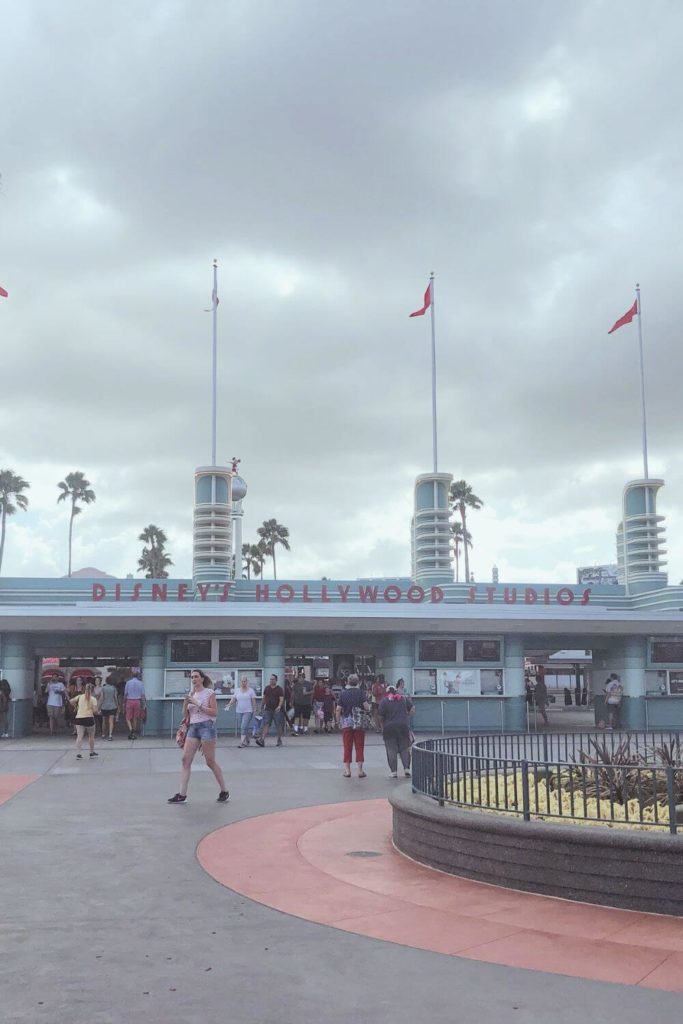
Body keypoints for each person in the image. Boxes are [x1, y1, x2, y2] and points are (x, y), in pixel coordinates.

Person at [168, 669, 229, 803]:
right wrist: (186, 702)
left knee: (210, 761)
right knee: (185, 760)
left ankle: (224, 790)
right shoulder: (192, 694)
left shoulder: (209, 693)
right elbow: (185, 714)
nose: (194, 679)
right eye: (192, 677)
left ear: (202, 679)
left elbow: (214, 712)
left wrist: (197, 703)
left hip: (207, 727)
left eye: (196, 677)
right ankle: (182, 794)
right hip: (193, 727)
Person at [336, 673, 370, 778]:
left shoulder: (343, 693)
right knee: (359, 746)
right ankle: (360, 770)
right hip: (359, 722)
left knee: (347, 746)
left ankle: (347, 770)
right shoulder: (360, 693)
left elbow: (338, 709)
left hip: (346, 722)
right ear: (358, 682)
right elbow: (366, 707)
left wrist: (338, 721)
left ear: (347, 682)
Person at [378, 685, 414, 777]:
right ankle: (407, 769)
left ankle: (394, 772)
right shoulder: (403, 699)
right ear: (396, 691)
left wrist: (382, 727)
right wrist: (407, 715)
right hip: (403, 726)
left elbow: (380, 716)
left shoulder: (384, 701)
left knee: (391, 749)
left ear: (387, 693)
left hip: (389, 728)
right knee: (404, 748)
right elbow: (413, 709)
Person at [69, 682, 99, 759]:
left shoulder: (79, 697)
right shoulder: (93, 699)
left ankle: (78, 753)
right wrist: (96, 711)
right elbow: (95, 711)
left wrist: (76, 705)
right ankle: (91, 752)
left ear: (84, 689)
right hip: (89, 718)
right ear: (92, 691)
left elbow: (71, 701)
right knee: (91, 736)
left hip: (79, 718)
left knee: (79, 736)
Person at [256, 674, 285, 747]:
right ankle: (262, 740)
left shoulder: (279, 689)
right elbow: (264, 698)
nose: (271, 681)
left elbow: (281, 699)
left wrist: (279, 706)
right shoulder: (267, 688)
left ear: (276, 680)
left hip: (277, 710)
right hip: (268, 709)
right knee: (266, 724)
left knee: (278, 725)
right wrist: (261, 707)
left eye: (273, 679)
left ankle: (279, 739)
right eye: (270, 679)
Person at [228, 676, 256, 747]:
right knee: (243, 727)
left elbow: (253, 701)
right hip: (239, 711)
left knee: (243, 726)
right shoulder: (237, 690)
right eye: (242, 681)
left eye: (245, 681)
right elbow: (234, 699)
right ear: (240, 682)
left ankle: (242, 743)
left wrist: (254, 710)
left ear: (247, 682)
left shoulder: (251, 691)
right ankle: (247, 740)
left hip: (248, 711)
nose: (243, 683)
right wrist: (229, 704)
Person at [124, 673, 146, 740]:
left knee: (127, 717)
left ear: (131, 676)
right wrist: (144, 704)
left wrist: (124, 701)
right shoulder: (141, 683)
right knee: (135, 718)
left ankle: (131, 730)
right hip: (137, 701)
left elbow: (126, 693)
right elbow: (142, 695)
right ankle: (134, 733)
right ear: (138, 676)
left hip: (129, 701)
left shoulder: (128, 683)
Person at [291, 670, 313, 735]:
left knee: (306, 717)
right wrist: (291, 701)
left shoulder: (308, 684)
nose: (300, 679)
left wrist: (307, 693)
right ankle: (296, 729)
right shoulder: (296, 685)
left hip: (306, 703)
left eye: (301, 677)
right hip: (297, 702)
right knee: (297, 716)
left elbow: (312, 691)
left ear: (304, 678)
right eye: (299, 677)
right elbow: (293, 693)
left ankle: (305, 729)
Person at [100, 676, 119, 740]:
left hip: (104, 706)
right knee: (111, 721)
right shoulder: (114, 688)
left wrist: (99, 706)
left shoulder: (103, 688)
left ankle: (103, 734)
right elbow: (115, 698)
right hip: (112, 706)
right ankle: (110, 735)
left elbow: (102, 698)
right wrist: (117, 705)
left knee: (104, 721)